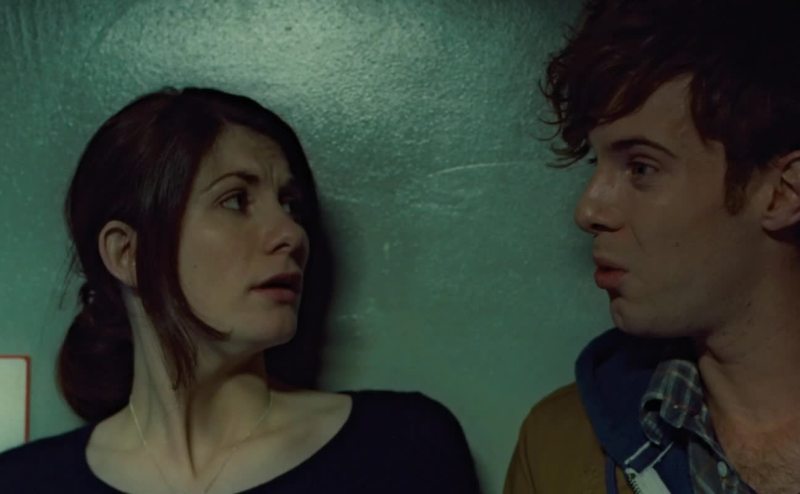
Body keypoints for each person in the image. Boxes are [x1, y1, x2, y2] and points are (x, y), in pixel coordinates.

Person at [0, 88, 481, 494]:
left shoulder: (402, 449)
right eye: (235, 200)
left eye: (290, 205)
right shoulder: (23, 483)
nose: (291, 235)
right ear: (127, 254)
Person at [504, 0, 800, 493]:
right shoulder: (556, 449)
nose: (588, 210)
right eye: (596, 164)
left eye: (640, 167)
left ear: (783, 192)